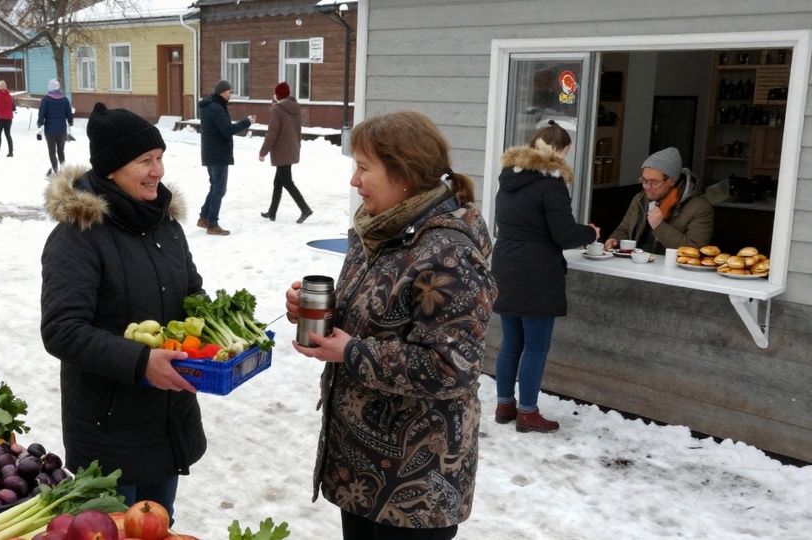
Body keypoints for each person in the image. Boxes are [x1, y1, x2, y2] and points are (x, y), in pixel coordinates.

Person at [284, 110, 497, 540]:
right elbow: (372, 316)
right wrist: (316, 312)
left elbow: (451, 368)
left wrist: (350, 352)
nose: (353, 181)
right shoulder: (380, 232)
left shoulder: (448, 254)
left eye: (363, 168)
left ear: (404, 173)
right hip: (363, 470)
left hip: (414, 491)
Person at [40, 102, 205, 522]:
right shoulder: (78, 238)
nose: (158, 171)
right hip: (109, 427)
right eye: (145, 161)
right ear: (111, 169)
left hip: (166, 419)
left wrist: (217, 331)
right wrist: (140, 362)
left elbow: (192, 293)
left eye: (160, 158)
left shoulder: (165, 225)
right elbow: (61, 329)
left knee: (159, 525)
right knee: (114, 530)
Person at [491, 121, 599, 434]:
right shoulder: (551, 184)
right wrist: (590, 233)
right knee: (536, 347)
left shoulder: (509, 180)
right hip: (536, 271)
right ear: (559, 152)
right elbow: (564, 234)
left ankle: (504, 405)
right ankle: (527, 413)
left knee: (511, 342)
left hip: (506, 266)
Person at [604, 147, 714, 254]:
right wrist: (614, 241)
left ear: (671, 181)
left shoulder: (700, 208)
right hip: (637, 265)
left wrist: (659, 226)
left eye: (654, 182)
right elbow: (624, 229)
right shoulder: (640, 199)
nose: (647, 187)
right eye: (644, 180)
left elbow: (695, 251)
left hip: (671, 270)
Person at [196, 79, 254, 236]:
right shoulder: (215, 108)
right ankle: (212, 224)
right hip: (218, 154)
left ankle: (203, 218)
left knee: (214, 187)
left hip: (211, 153)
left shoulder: (210, 106)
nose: (230, 95)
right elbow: (227, 130)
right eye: (229, 92)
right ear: (222, 92)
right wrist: (246, 122)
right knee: (219, 189)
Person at [258, 82, 312, 224]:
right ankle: (272, 212)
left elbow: (272, 133)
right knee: (278, 182)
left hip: (282, 149)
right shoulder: (295, 108)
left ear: (278, 95)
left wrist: (263, 151)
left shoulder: (278, 110)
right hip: (291, 147)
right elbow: (298, 129)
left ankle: (305, 209)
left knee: (287, 181)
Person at [37, 79, 74, 175]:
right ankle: (63, 169)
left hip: (50, 130)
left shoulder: (46, 99)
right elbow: (69, 113)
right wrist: (70, 121)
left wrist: (40, 123)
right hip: (62, 129)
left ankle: (55, 169)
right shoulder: (65, 99)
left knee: (52, 151)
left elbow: (42, 114)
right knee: (61, 150)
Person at [0, 80, 15, 157]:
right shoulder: (9, 96)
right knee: (8, 134)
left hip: (1, 117)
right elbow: (12, 107)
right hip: (9, 118)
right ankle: (10, 151)